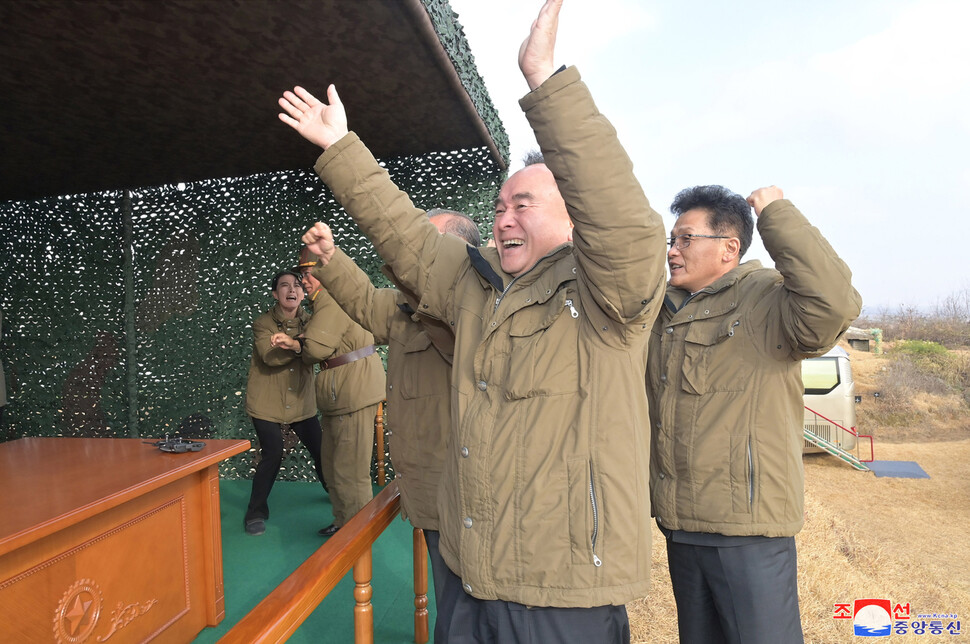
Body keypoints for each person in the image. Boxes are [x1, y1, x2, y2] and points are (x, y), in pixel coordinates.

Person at [279, 0, 667, 640]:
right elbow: (404, 238)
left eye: (524, 204)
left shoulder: (608, 296)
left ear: (574, 217)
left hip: (560, 587)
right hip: (469, 566)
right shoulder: (476, 286)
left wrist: (547, 82)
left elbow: (623, 223)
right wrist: (340, 147)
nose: (505, 217)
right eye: (498, 206)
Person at [647, 184, 862, 643]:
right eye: (671, 240)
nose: (672, 252)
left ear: (729, 249)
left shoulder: (765, 299)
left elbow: (834, 303)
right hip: (681, 525)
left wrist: (776, 215)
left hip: (747, 531)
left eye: (685, 239)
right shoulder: (665, 311)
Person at [305, 208, 479, 632]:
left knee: (466, 611)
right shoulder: (408, 304)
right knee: (453, 603)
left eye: (424, 246)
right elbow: (365, 302)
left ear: (462, 257)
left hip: (464, 485)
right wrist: (330, 259)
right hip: (432, 486)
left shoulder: (476, 309)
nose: (410, 256)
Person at [276, 248, 386, 537]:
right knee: (335, 465)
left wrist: (299, 344)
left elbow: (316, 349)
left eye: (308, 272)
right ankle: (343, 522)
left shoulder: (332, 301)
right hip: (343, 393)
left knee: (350, 470)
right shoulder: (326, 303)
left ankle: (358, 533)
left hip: (352, 393)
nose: (303, 280)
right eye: (302, 274)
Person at [243, 270, 327, 536]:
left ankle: (339, 496)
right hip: (266, 402)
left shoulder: (313, 322)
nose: (292, 290)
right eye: (284, 286)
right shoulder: (263, 323)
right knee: (273, 452)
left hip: (301, 401)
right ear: (275, 293)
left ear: (303, 293)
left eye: (297, 285)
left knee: (322, 451)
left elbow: (318, 352)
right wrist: (302, 346)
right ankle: (255, 511)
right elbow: (270, 356)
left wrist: (293, 344)